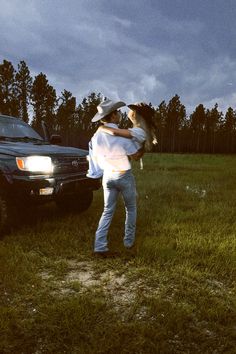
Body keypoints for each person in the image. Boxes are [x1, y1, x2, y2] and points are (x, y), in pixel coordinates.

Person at [87, 99, 144, 258]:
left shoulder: (96, 136)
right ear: (112, 116)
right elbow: (135, 156)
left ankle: (99, 246)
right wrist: (143, 146)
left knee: (107, 211)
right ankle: (128, 242)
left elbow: (94, 156)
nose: (120, 114)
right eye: (117, 112)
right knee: (131, 208)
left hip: (108, 176)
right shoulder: (122, 135)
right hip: (123, 175)